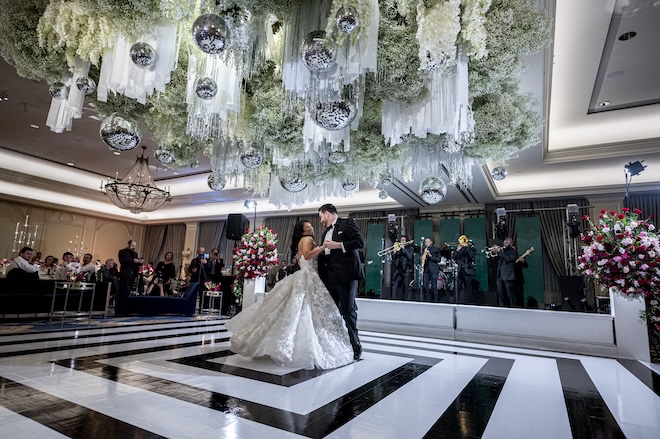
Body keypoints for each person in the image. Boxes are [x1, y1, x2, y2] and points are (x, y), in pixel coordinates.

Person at [225, 220, 353, 369]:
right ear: (302, 230)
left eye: (311, 225)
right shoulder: (308, 239)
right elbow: (307, 255)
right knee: (305, 310)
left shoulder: (303, 240)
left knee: (296, 310)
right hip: (308, 275)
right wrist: (323, 247)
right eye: (307, 226)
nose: (311, 227)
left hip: (305, 274)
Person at [318, 203, 364, 361]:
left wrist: (338, 245)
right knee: (333, 312)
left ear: (327, 213)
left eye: (321, 216)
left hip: (347, 276)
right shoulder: (325, 232)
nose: (321, 220)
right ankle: (339, 345)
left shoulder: (347, 223)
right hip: (330, 277)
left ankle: (355, 344)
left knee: (347, 311)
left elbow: (359, 242)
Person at [453, 235, 477, 304]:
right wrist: (457, 251)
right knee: (457, 287)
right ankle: (455, 302)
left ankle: (468, 303)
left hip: (468, 271)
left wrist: (467, 247)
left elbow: (471, 255)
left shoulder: (472, 249)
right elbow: (455, 258)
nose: (463, 242)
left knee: (468, 288)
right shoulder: (458, 249)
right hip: (460, 270)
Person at [497, 237, 520, 307]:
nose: (504, 245)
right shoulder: (502, 252)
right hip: (500, 275)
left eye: (506, 243)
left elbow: (508, 259)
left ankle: (514, 308)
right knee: (500, 293)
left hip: (509, 276)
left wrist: (500, 252)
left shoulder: (513, 252)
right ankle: (502, 307)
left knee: (511, 294)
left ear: (511, 244)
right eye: (504, 243)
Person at [391, 235, 414, 300]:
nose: (401, 242)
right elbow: (394, 259)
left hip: (406, 269)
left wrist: (403, 249)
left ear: (406, 241)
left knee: (405, 286)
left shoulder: (410, 248)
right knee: (394, 284)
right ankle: (393, 299)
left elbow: (410, 257)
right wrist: (394, 253)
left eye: (403, 240)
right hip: (397, 268)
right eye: (401, 240)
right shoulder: (398, 248)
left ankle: (405, 300)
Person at [420, 237, 441, 302]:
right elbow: (421, 260)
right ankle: (427, 300)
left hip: (434, 270)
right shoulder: (423, 250)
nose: (427, 243)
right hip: (426, 270)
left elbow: (438, 259)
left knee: (434, 286)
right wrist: (422, 258)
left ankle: (435, 300)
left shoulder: (436, 249)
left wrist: (430, 256)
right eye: (426, 242)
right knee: (425, 286)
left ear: (431, 242)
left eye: (428, 242)